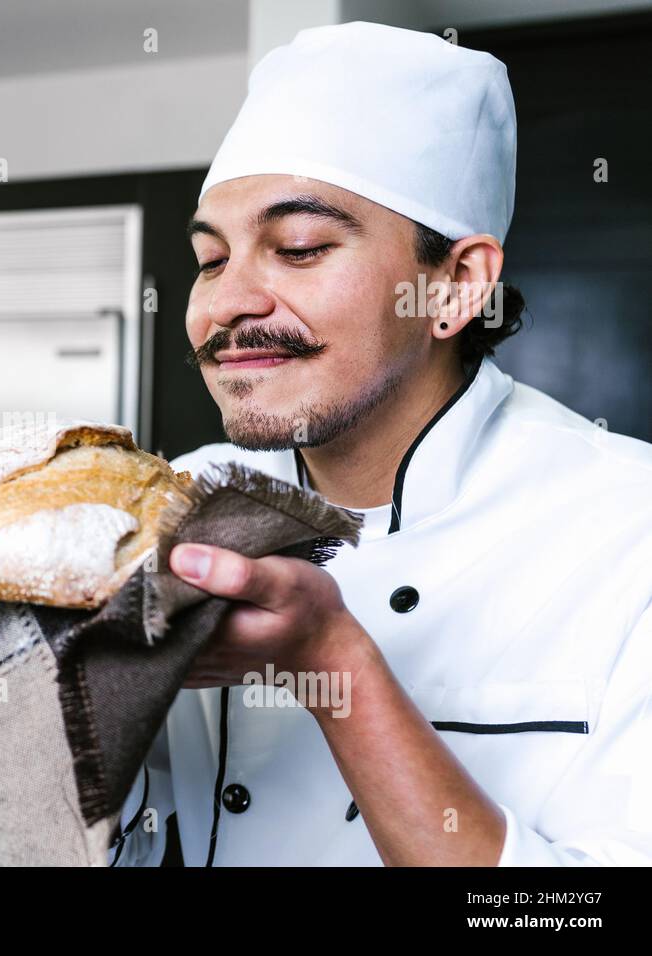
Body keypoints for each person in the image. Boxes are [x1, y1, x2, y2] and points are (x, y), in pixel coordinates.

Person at [113, 21, 652, 866]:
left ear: (456, 286)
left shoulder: (628, 530)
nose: (227, 303)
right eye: (210, 259)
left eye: (299, 248)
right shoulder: (178, 507)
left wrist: (332, 659)